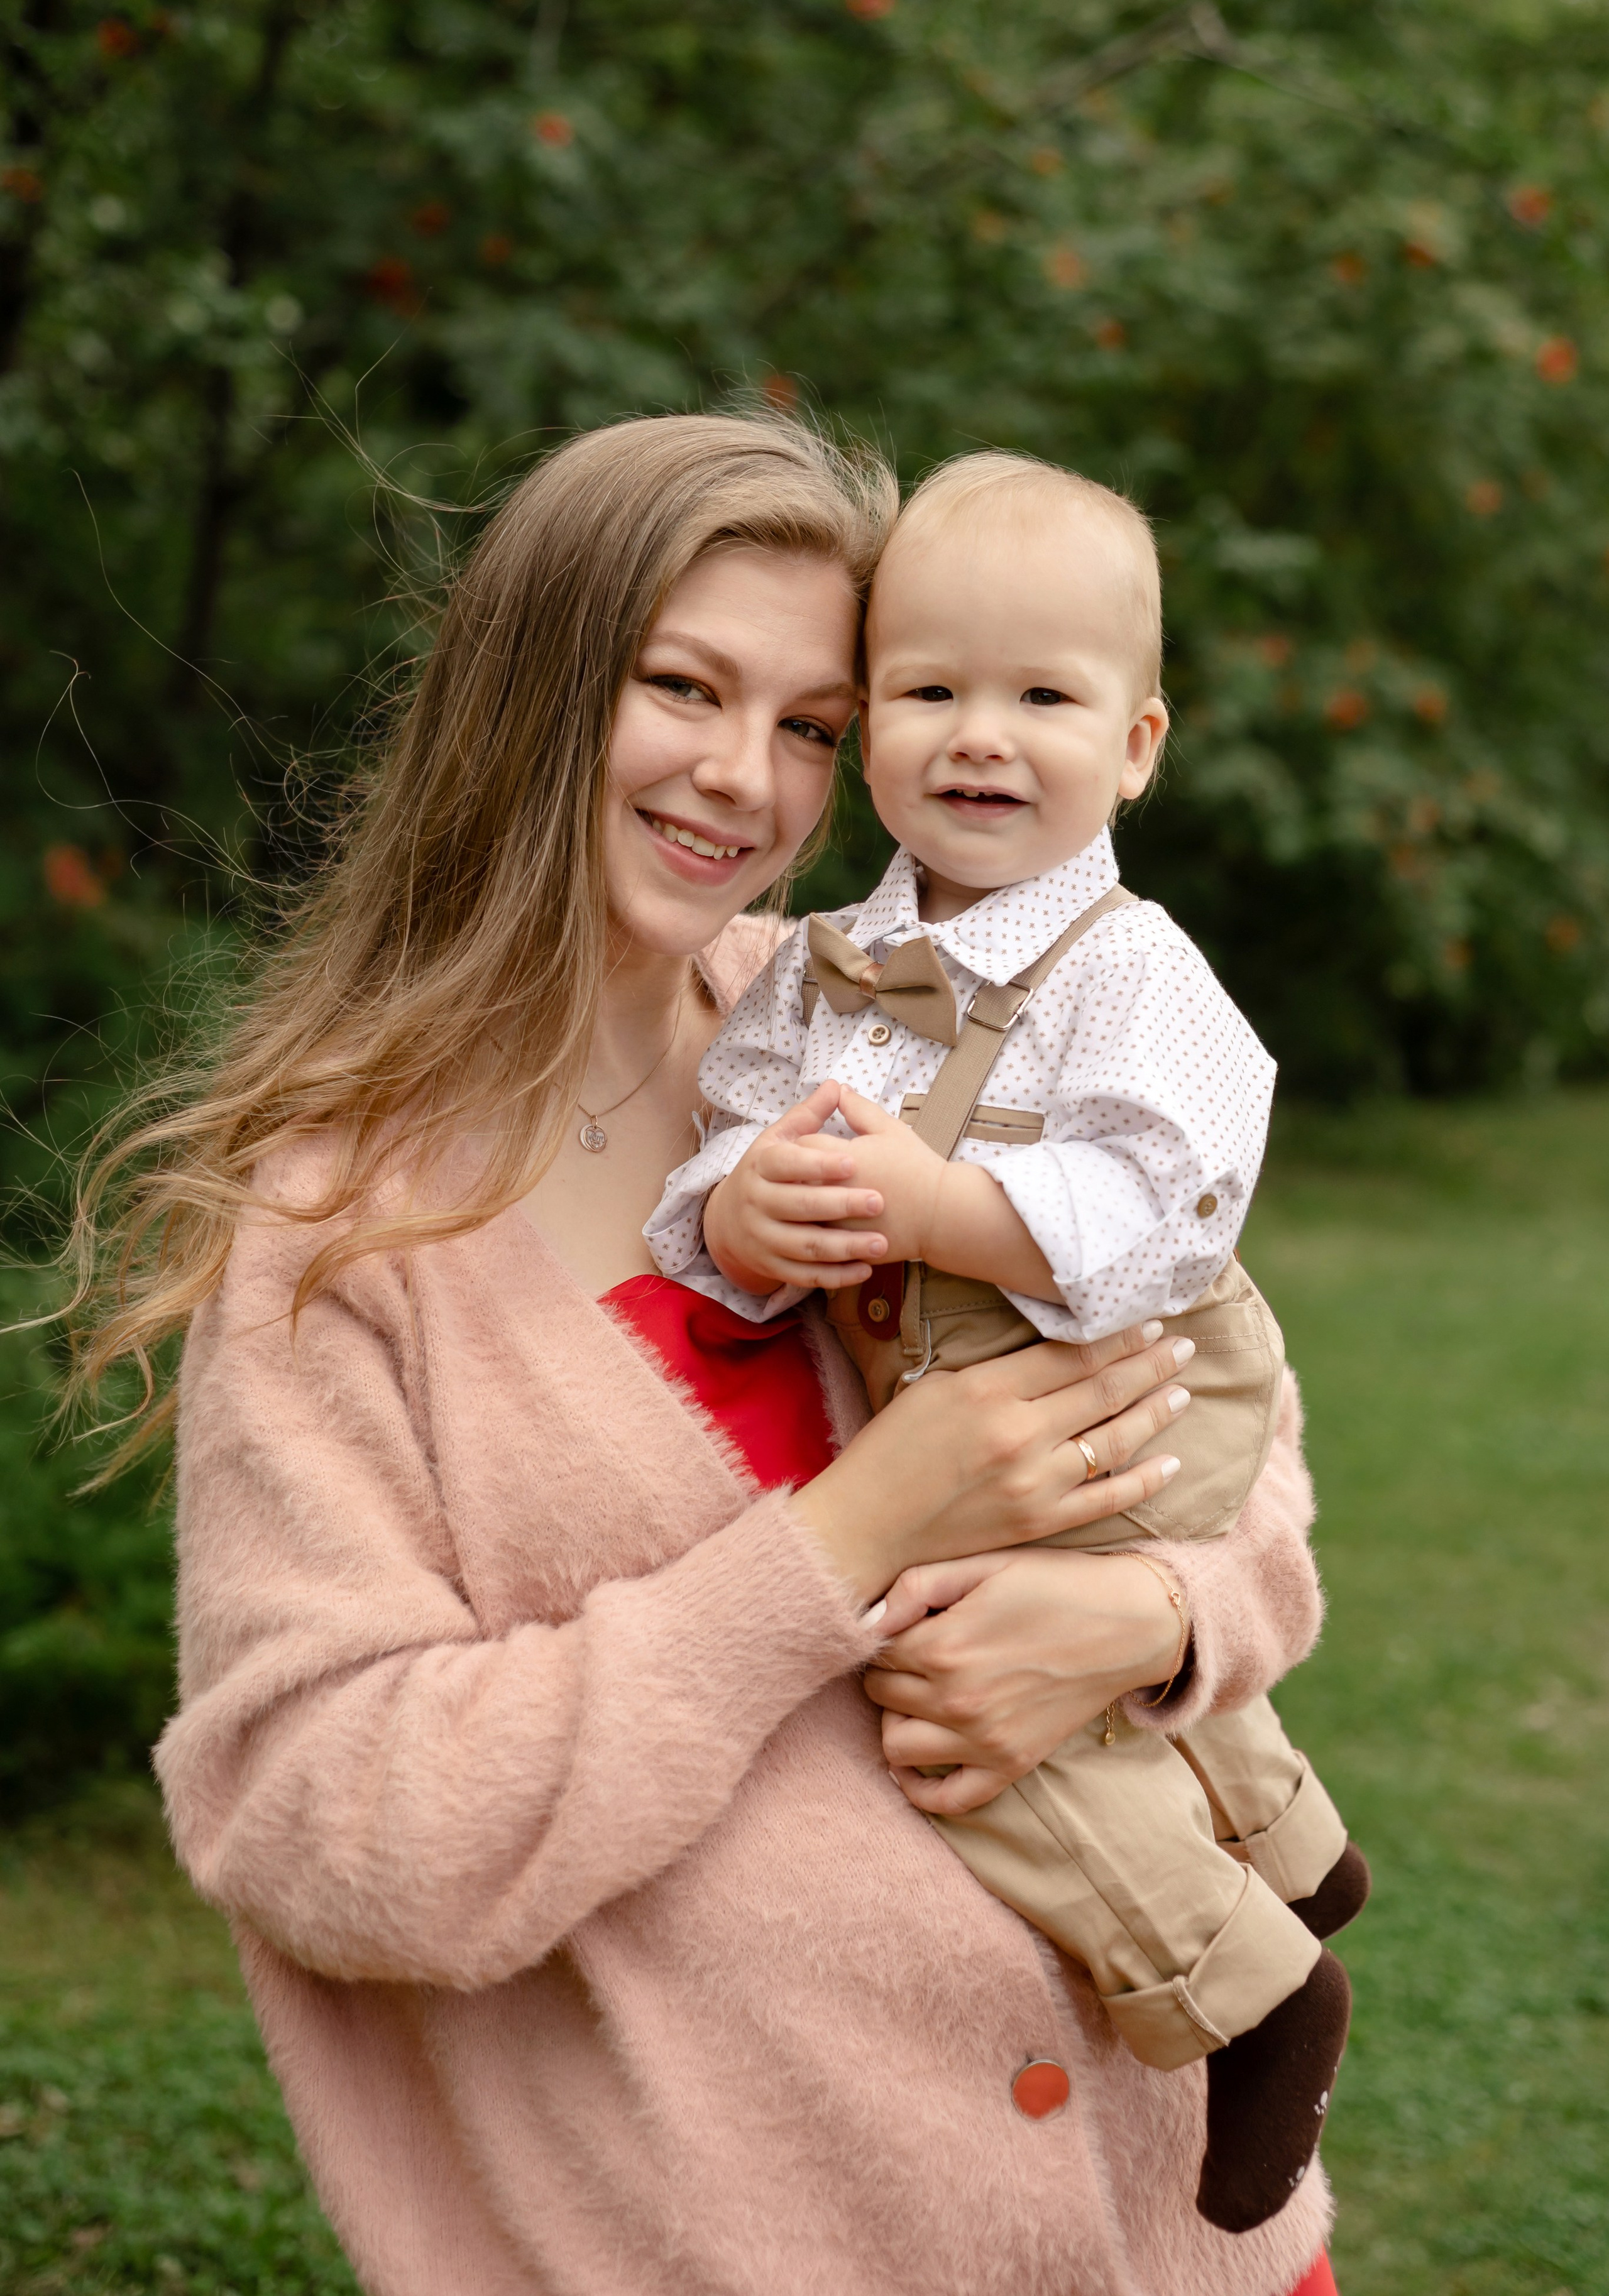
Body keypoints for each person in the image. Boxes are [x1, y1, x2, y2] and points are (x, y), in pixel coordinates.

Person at [68, 412, 1341, 2296]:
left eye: (816, 721)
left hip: (1176, 2231)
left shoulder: (865, 1012)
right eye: (683, 685)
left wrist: (1146, 1616)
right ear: (537, 688)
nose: (747, 779)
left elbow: (1223, 1397)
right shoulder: (344, 1233)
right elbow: (320, 1813)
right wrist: (837, 1549)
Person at [646, 451, 1368, 2232]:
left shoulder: (1135, 966)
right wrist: (742, 1215)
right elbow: (737, 1118)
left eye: (1043, 695)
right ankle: (1291, 1842)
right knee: (1065, 1611)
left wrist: (936, 1211)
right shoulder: (820, 966)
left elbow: (1172, 1196)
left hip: (1141, 1363)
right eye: (931, 688)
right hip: (973, 1376)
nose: (983, 733)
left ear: (1136, 743)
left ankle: (1245, 1984)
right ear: (871, 722)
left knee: (972, 1697)